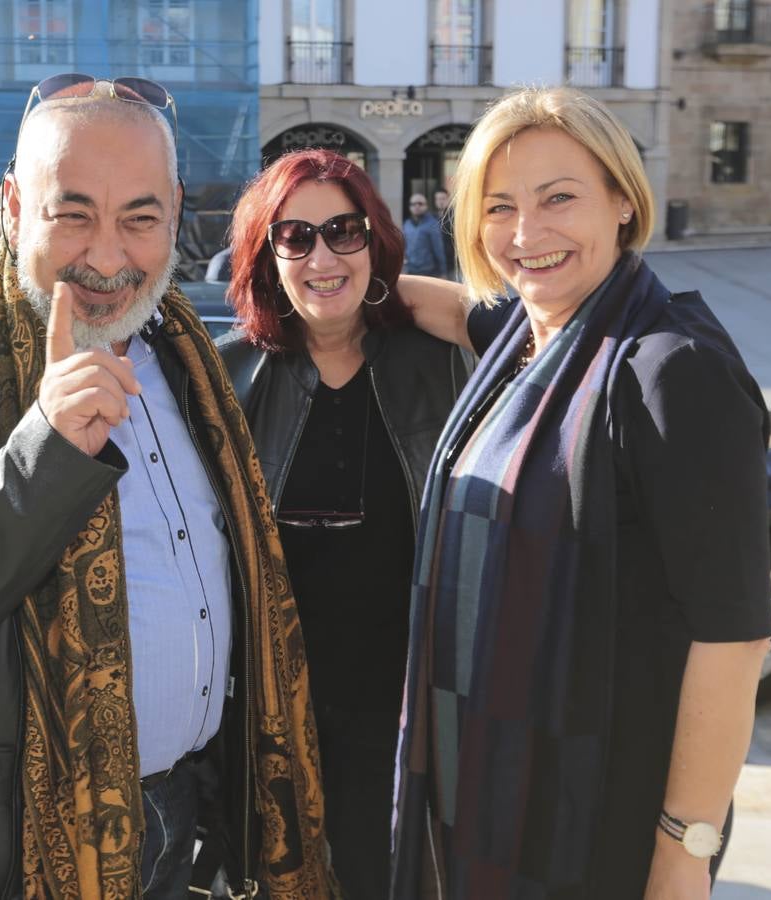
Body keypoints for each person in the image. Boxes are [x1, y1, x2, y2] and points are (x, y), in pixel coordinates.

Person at [0, 77, 337, 899]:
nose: (108, 257)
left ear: (174, 212)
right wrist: (44, 452)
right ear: (14, 206)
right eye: (73, 215)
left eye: (139, 219)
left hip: (188, 813)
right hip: (22, 841)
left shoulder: (183, 352)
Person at [391, 86, 771, 899]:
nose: (526, 234)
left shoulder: (670, 369)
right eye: (499, 207)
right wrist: (328, 279)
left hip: (600, 814)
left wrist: (683, 850)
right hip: (492, 788)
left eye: (558, 197)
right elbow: (460, 309)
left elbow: (733, 638)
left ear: (622, 203)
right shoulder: (538, 342)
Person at [219, 149, 471, 899]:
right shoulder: (227, 376)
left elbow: (537, 328)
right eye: (294, 238)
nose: (322, 255)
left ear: (377, 241)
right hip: (271, 721)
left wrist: (401, 293)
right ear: (266, 256)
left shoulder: (443, 361)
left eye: (345, 232)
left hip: (406, 715)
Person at [402, 193, 446, 276]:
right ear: (409, 207)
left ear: (426, 206)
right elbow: (404, 247)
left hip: (428, 271)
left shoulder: (432, 224)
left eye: (420, 203)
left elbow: (438, 249)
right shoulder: (406, 224)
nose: (417, 206)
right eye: (413, 204)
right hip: (411, 270)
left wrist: (443, 272)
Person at [434, 187, 456, 278]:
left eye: (443, 198)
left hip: (453, 264)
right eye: (438, 199)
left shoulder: (455, 217)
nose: (440, 201)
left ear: (448, 199)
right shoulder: (432, 218)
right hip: (436, 265)